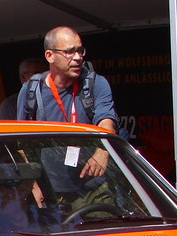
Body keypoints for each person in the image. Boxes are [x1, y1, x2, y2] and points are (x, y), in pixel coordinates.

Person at [16, 26, 119, 213]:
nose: (78, 57)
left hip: (91, 188)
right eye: (70, 52)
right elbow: (21, 142)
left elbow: (106, 120)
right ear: (50, 56)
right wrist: (32, 184)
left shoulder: (95, 83)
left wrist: (103, 150)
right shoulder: (31, 90)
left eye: (80, 50)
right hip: (48, 190)